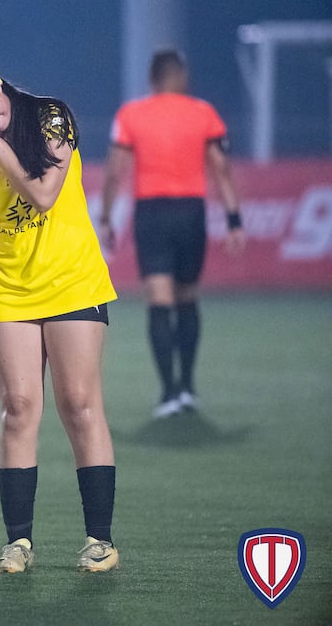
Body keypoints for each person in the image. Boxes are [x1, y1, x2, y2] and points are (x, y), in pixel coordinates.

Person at [0, 57, 120, 574]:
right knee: (17, 408)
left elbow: (42, 194)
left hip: (71, 282)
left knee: (79, 404)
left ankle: (99, 540)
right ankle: (18, 543)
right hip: (10, 289)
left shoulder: (49, 117)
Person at [98, 48, 245, 418]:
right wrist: (233, 218)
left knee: (159, 299)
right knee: (188, 297)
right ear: (181, 76)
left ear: (152, 78)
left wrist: (105, 218)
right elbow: (221, 168)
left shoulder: (131, 114)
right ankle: (188, 388)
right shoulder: (203, 113)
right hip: (189, 211)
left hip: (152, 212)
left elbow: (115, 171)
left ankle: (168, 393)